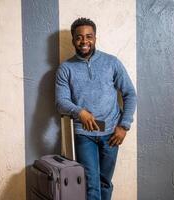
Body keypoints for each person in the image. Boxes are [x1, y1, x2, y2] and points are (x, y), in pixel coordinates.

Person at [55, 18, 137, 200]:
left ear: (95, 38)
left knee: (105, 183)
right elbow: (61, 102)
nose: (84, 41)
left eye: (88, 37)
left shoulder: (112, 63)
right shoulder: (65, 68)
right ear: (73, 40)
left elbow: (130, 94)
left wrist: (124, 126)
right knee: (91, 184)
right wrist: (79, 112)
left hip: (112, 134)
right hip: (84, 133)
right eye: (79, 37)